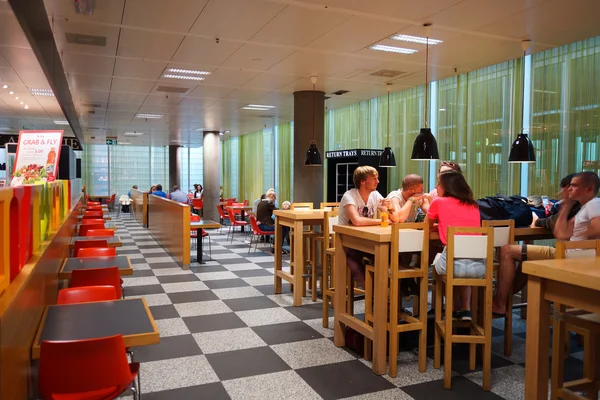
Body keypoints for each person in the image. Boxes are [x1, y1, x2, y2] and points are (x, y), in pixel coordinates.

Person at [493, 171, 600, 316]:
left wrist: (581, 236)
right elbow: (561, 233)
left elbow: (598, 228)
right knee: (526, 262)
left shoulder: (595, 203)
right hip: (570, 256)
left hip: (571, 258)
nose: (569, 189)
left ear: (589, 189)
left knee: (507, 250)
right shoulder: (583, 208)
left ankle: (500, 303)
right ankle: (503, 299)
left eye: (574, 186)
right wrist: (567, 204)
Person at [427, 170, 483, 322]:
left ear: (447, 187)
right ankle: (466, 309)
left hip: (451, 266)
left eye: (439, 184)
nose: (436, 187)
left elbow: (426, 226)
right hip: (479, 267)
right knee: (462, 261)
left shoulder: (438, 202)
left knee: (439, 267)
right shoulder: (473, 204)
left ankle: (450, 308)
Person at [338, 166, 390, 287]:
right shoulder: (349, 196)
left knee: (387, 254)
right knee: (353, 255)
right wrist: (380, 221)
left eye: (377, 178)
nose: (377, 181)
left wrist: (386, 207)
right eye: (374, 178)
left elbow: (388, 215)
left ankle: (383, 288)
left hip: (366, 239)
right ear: (362, 181)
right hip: (346, 240)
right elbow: (356, 221)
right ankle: (369, 286)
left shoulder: (375, 195)